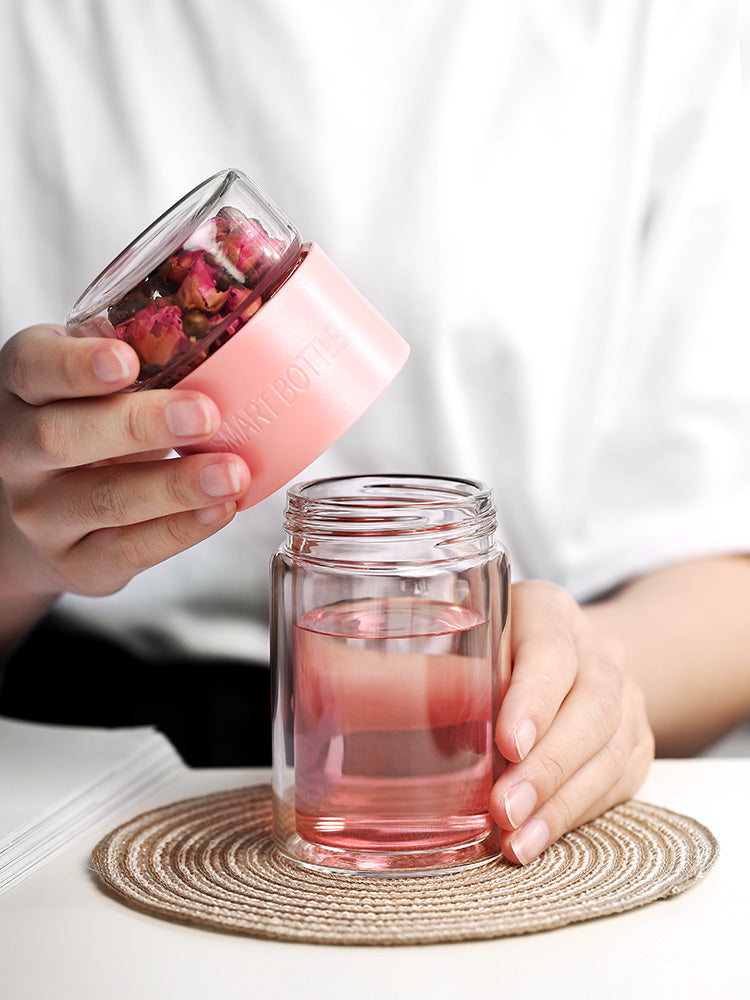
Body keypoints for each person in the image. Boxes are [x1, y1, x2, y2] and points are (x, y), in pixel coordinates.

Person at [0, 0, 748, 867]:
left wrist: (590, 676)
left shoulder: (657, 27)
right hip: (71, 758)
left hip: (481, 713)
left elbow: (724, 550)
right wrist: (14, 553)